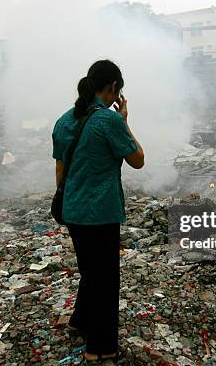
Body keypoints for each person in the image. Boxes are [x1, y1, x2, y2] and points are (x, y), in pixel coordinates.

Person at [52, 60, 144, 363]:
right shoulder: (109, 121)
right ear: (114, 88)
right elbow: (137, 159)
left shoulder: (64, 120)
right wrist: (125, 120)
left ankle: (79, 321)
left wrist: (69, 201)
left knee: (90, 271)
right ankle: (100, 349)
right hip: (101, 211)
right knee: (105, 279)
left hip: (73, 210)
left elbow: (60, 166)